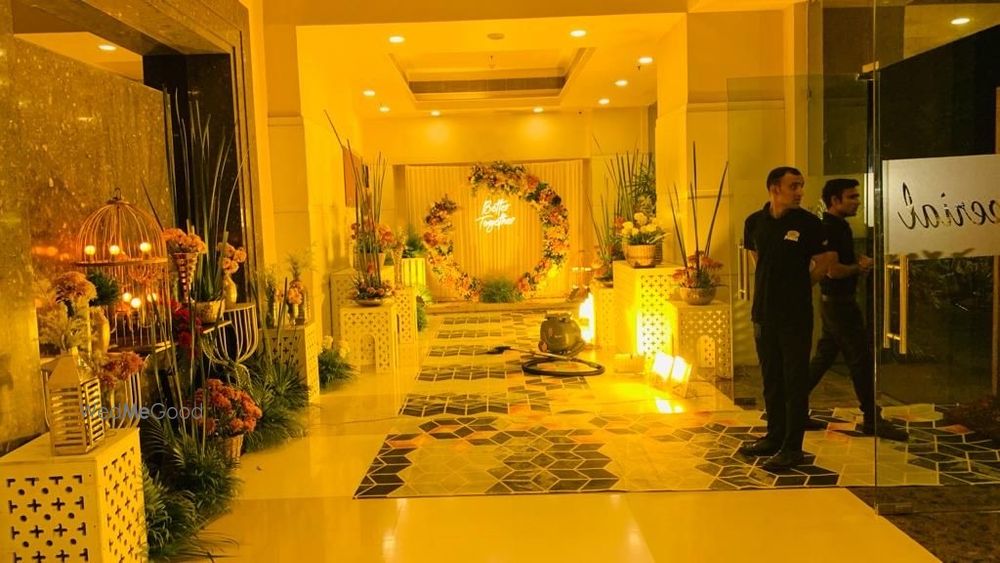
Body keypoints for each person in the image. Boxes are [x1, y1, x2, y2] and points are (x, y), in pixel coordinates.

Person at [739, 166, 835, 469]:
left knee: (794, 380)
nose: (799, 192)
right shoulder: (754, 222)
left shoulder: (808, 223)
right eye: (793, 186)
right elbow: (757, 258)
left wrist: (801, 285)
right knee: (771, 378)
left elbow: (825, 261)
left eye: (801, 186)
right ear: (774, 188)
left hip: (795, 315)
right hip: (764, 313)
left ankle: (793, 447)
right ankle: (774, 435)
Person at [805, 179, 908, 441]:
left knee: (826, 356)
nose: (857, 202)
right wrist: (859, 268)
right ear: (834, 200)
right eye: (851, 197)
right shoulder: (831, 228)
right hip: (839, 303)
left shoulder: (837, 226)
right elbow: (832, 270)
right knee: (860, 359)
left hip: (834, 302)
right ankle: (872, 418)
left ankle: (790, 407)